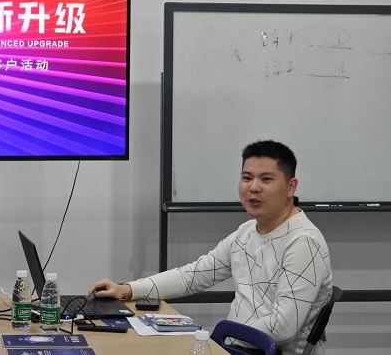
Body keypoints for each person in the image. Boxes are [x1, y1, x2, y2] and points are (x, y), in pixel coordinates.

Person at [88, 140, 333, 355]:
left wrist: (215, 340)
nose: (253, 187)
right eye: (247, 178)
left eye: (266, 179)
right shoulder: (247, 232)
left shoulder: (303, 242)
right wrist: (127, 289)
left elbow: (283, 327)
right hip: (234, 346)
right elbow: (193, 275)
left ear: (291, 187)